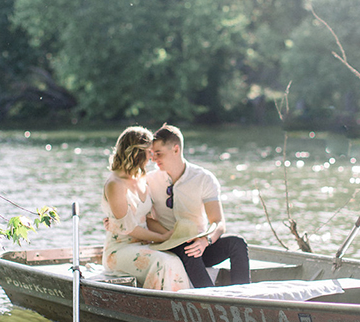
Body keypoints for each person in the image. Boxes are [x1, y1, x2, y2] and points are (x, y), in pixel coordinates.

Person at [147, 124, 250, 288]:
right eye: (152, 154)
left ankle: (243, 297)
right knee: (190, 251)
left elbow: (218, 222)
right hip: (168, 245)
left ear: (176, 149)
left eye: (158, 153)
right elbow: (145, 218)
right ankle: (211, 300)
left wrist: (205, 241)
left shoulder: (204, 178)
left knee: (237, 244)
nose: (153, 159)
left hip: (199, 244)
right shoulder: (149, 180)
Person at [102, 126, 190, 291]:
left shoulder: (142, 179)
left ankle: (183, 307)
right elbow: (128, 228)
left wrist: (173, 235)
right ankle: (161, 309)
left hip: (145, 245)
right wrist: (162, 237)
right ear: (137, 153)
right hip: (120, 249)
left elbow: (148, 219)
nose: (152, 157)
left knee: (175, 259)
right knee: (163, 262)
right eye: (150, 152)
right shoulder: (115, 184)